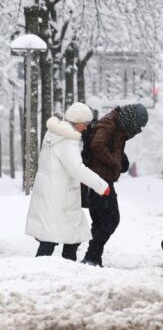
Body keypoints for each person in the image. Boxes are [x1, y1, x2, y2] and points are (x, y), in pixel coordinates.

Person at [26, 103, 111, 261]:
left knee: (66, 236)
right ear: (77, 122)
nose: (86, 128)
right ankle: (49, 270)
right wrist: (101, 186)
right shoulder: (68, 140)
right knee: (53, 239)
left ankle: (64, 268)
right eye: (85, 124)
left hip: (51, 193)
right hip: (59, 196)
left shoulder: (54, 134)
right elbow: (77, 169)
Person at [82, 103, 148, 266]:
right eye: (138, 126)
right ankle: (91, 257)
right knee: (111, 219)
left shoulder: (117, 124)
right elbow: (97, 145)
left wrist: (121, 159)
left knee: (100, 221)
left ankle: (93, 257)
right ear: (131, 120)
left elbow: (108, 144)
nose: (137, 130)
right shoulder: (109, 123)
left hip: (101, 178)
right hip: (99, 179)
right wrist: (114, 163)